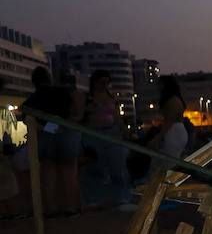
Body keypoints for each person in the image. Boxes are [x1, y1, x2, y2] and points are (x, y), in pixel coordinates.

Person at [21, 67, 82, 216]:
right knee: (69, 172)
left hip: (46, 135)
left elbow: (28, 120)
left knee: (48, 171)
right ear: (49, 78)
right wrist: (68, 122)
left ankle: (51, 208)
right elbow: (76, 104)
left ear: (33, 82)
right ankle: (71, 207)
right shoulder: (62, 92)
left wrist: (50, 127)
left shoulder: (32, 99)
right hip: (66, 131)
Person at [84, 70, 133, 208]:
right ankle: (94, 199)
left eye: (107, 82)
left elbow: (117, 116)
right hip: (93, 133)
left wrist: (124, 131)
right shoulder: (88, 97)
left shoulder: (110, 97)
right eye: (102, 82)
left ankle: (122, 197)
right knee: (95, 167)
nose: (104, 85)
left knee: (118, 166)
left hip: (112, 132)